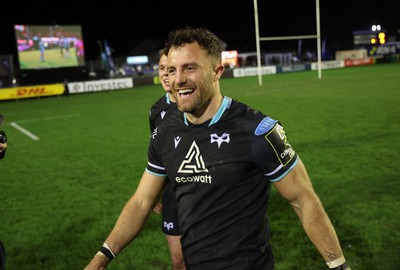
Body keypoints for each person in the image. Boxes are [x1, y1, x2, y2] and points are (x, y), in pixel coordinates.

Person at [84, 26, 351, 270]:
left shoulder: (257, 130)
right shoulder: (164, 132)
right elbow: (141, 202)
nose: (178, 80)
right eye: (173, 70)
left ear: (217, 72)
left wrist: (338, 265)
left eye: (190, 68)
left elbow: (302, 199)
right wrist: (101, 257)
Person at [150, 48, 185, 270]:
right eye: (162, 68)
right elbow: (158, 157)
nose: (165, 74)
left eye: (170, 69)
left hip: (201, 193)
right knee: (178, 260)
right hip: (172, 196)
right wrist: (157, 193)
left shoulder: (196, 105)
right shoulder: (156, 110)